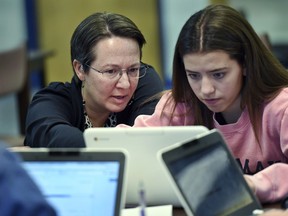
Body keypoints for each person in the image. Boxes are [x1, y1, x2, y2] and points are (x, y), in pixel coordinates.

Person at [122, 4, 288, 205]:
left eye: (218, 74)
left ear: (245, 64)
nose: (206, 89)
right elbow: (131, 147)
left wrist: (252, 184)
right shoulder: (179, 105)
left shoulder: (281, 107)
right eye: (194, 75)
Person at [24, 12, 164, 148]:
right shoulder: (52, 101)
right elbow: (54, 138)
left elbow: (148, 139)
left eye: (133, 69)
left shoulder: (144, 79)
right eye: (111, 71)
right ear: (80, 69)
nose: (125, 84)